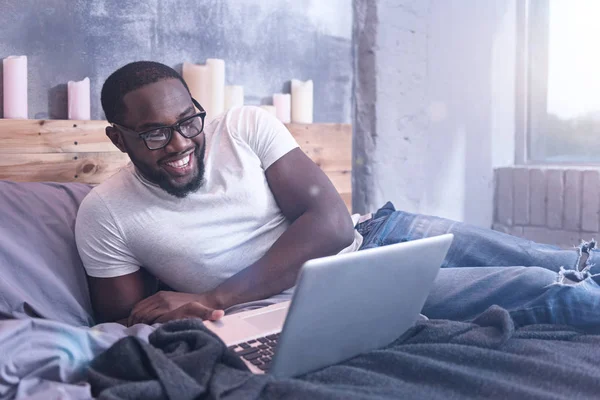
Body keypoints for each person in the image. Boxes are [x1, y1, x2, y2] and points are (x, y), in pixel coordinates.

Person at [75, 61, 600, 330]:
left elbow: (329, 223)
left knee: (574, 258)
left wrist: (215, 298)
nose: (182, 142)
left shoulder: (245, 126)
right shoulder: (107, 214)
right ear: (117, 139)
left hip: (379, 232)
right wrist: (196, 316)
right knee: (550, 288)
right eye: (154, 133)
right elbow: (124, 322)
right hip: (326, 296)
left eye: (189, 120)